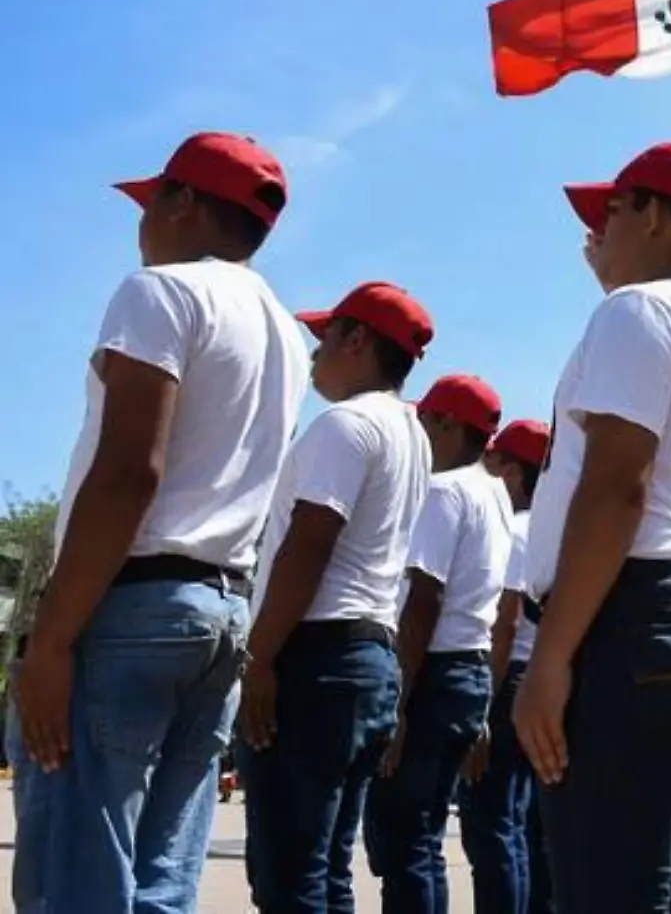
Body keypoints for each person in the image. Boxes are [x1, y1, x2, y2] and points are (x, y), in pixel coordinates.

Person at [8, 133, 306, 913]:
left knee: (77, 877)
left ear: (182, 202)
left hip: (131, 607)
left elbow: (128, 472)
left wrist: (52, 639)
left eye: (151, 204)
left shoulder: (162, 292)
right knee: (160, 879)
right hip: (220, 610)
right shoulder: (283, 332)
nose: (142, 228)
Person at [515, 141, 671, 911]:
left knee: (602, 892)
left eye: (611, 210)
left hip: (624, 619)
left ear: (653, 217)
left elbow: (617, 487)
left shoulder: (638, 311)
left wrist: (549, 657)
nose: (596, 232)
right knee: (649, 888)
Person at [239, 280, 437, 912]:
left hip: (316, 657)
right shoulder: (411, 436)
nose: (316, 353)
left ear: (357, 340)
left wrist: (260, 657)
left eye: (325, 337)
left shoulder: (346, 425)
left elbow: (310, 544)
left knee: (289, 874)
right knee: (325, 871)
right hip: (365, 657)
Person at [366, 373, 513, 913]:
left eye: (425, 421)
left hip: (433, 672)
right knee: (424, 838)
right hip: (468, 669)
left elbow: (424, 598)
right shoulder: (493, 494)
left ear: (448, 426)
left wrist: (398, 702)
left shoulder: (442, 490)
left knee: (403, 840)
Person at [460, 418, 555, 914]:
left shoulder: (518, 530)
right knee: (524, 824)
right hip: (545, 680)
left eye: (495, 462)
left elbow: (505, 623)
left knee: (492, 823)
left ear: (515, 472)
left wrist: (484, 704)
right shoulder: (556, 530)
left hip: (510, 679)